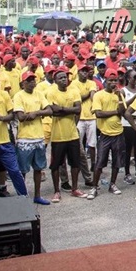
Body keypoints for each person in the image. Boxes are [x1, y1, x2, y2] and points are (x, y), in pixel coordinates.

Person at [46, 67, 86, 202]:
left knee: (75, 163)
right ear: (55, 80)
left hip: (72, 134)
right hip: (58, 135)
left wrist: (62, 109)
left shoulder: (74, 91)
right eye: (60, 78)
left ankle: (74, 188)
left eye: (65, 77)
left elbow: (78, 109)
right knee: (56, 165)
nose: (64, 79)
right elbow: (52, 111)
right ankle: (57, 191)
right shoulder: (51, 92)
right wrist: (70, 110)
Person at [13, 71, 53, 205]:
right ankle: (22, 197)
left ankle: (37, 195)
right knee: (22, 170)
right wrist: (36, 114)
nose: (32, 83)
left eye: (33, 80)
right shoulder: (18, 96)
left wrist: (36, 113)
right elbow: (20, 116)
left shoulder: (39, 94)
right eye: (28, 80)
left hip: (39, 136)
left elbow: (49, 110)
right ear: (23, 83)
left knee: (38, 168)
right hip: (25, 138)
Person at [89, 68, 127, 200]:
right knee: (100, 162)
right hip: (104, 133)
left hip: (118, 132)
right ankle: (94, 187)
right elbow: (98, 113)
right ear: (105, 80)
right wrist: (115, 112)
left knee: (117, 162)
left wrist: (119, 99)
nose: (113, 83)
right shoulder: (99, 95)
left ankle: (113, 184)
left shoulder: (118, 94)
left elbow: (122, 111)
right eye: (110, 80)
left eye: (115, 80)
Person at [120, 69, 136, 185]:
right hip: (127, 123)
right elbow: (123, 108)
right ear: (128, 78)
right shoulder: (123, 91)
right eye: (134, 77)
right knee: (128, 149)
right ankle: (127, 173)